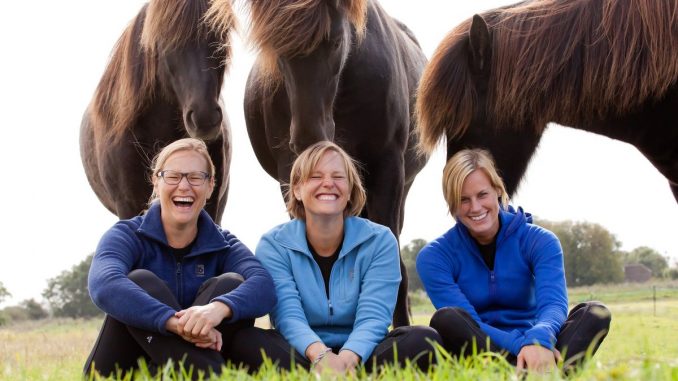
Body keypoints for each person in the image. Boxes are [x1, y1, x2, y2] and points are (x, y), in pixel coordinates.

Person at [230, 141, 441, 373]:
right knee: (245, 341)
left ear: (350, 189)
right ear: (297, 190)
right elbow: (288, 316)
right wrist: (321, 356)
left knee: (424, 339)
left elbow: (374, 316)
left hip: (364, 352)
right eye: (315, 177)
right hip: (302, 352)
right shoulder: (274, 245)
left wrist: (347, 359)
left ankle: (341, 374)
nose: (328, 184)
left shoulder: (380, 241)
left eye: (338, 177)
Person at [84, 138, 276, 377]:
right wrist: (173, 323)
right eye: (173, 176)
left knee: (230, 285)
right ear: (156, 181)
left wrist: (217, 309)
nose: (184, 186)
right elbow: (104, 284)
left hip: (180, 367)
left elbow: (264, 286)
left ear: (210, 186)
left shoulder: (223, 244)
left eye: (195, 177)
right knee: (139, 281)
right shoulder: (127, 234)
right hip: (124, 367)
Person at [416, 148, 611, 373]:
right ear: (452, 204)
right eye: (463, 200)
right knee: (447, 318)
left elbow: (554, 304)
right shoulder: (434, 257)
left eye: (482, 195)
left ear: (497, 190)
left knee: (595, 312)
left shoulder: (540, 241)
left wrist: (539, 338)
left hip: (538, 340)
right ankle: (540, 374)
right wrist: (523, 346)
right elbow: (471, 322)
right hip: (482, 347)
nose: (475, 207)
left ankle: (539, 373)